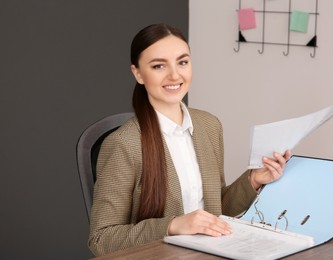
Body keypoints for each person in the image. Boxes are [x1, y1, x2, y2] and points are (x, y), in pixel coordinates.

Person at [88, 23, 291, 256]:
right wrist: (173, 225)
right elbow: (101, 240)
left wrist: (254, 180)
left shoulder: (209, 126)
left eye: (182, 62)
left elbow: (215, 209)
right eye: (158, 66)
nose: (175, 75)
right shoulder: (124, 144)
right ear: (138, 73)